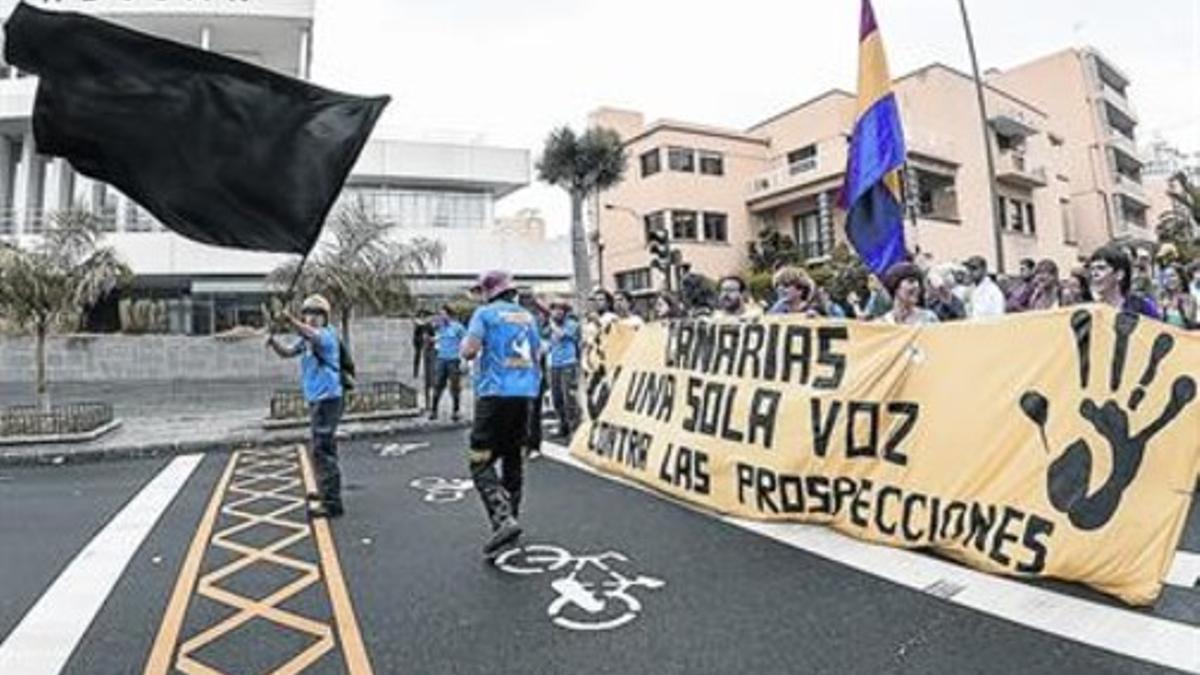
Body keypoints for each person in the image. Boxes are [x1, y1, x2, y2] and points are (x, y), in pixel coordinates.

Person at [461, 270, 542, 557]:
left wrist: (470, 346)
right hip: (524, 396)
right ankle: (512, 521)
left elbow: (469, 350)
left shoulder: (484, 314)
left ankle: (502, 518)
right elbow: (538, 352)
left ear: (488, 291)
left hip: (495, 394)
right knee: (512, 458)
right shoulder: (528, 317)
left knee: (479, 461)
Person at [266, 294, 345, 519]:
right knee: (321, 448)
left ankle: (332, 503)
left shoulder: (327, 335)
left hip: (328, 398)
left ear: (325, 318)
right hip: (317, 398)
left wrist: (289, 319)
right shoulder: (307, 340)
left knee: (323, 450)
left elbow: (310, 334)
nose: (311, 318)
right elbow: (288, 353)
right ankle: (325, 491)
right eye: (308, 313)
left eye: (317, 314)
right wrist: (274, 343)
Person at [1086, 244, 1160, 318]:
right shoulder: (1090, 311)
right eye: (1092, 269)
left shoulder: (1142, 307)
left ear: (1119, 275)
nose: (1094, 274)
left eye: (1101, 268)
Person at [518, 289, 549, 459]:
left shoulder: (539, 322)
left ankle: (533, 444)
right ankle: (525, 443)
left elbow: (541, 351)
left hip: (534, 374)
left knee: (533, 411)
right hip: (520, 375)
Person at [546, 300, 582, 439]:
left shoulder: (572, 324)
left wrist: (552, 324)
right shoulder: (550, 326)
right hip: (554, 364)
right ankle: (563, 426)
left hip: (568, 364)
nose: (558, 312)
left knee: (569, 398)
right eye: (555, 309)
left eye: (561, 309)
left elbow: (562, 335)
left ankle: (575, 429)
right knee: (557, 398)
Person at [429, 305, 466, 421]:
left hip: (453, 360)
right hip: (441, 359)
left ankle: (456, 411)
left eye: (442, 314)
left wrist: (464, 359)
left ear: (448, 314)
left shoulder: (458, 328)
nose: (440, 316)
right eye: (439, 314)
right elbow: (437, 339)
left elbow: (465, 342)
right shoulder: (440, 328)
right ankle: (434, 411)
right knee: (437, 385)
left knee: (454, 387)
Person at [1159, 264, 1198, 329]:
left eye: (1172, 276)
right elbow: (1159, 323)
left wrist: (1180, 307)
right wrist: (1164, 309)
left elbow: (1190, 324)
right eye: (1166, 277)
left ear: (1181, 278)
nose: (1168, 279)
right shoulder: (1163, 297)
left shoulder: (1190, 299)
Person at [410, 310, 432, 379]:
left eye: (424, 316)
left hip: (426, 341)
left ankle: (426, 373)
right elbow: (416, 325)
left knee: (426, 357)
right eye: (421, 315)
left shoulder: (428, 324)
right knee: (417, 356)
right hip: (418, 341)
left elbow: (431, 332)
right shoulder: (418, 323)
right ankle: (415, 373)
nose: (422, 317)